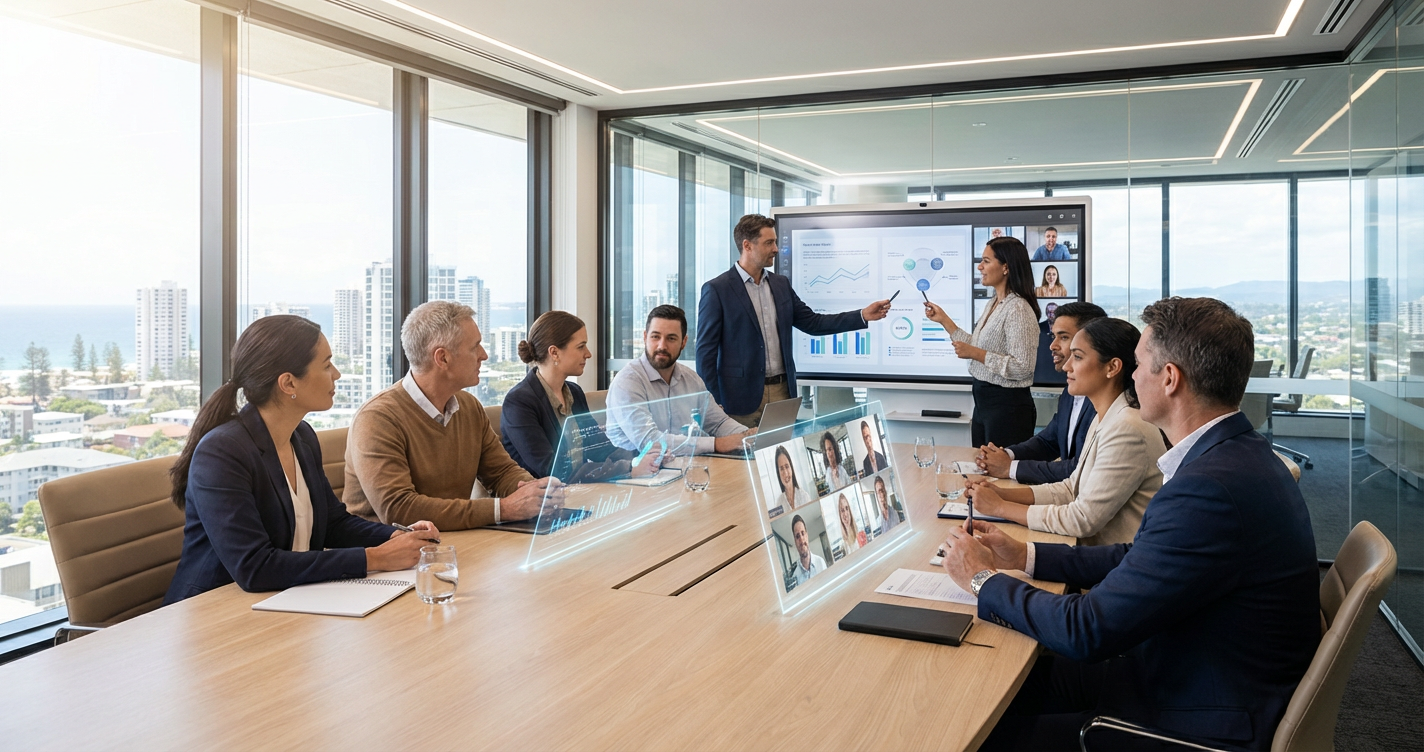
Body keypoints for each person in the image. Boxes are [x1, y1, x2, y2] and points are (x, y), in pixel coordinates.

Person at [940, 297, 1319, 751]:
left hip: (1191, 715)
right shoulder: (1235, 457)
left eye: (1139, 365)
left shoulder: (1211, 489)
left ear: (1170, 378)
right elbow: (1139, 558)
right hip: (1178, 666)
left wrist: (981, 579)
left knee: (975, 729)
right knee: (993, 689)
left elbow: (1087, 630)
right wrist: (1024, 554)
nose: (1133, 378)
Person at [164, 316, 439, 604]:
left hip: (284, 601)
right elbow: (254, 567)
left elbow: (333, 524)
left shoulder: (302, 436)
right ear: (288, 382)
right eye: (326, 365)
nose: (337, 374)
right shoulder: (222, 452)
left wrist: (395, 537)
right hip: (214, 612)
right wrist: (374, 557)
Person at [344, 301, 556, 530]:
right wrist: (503, 508)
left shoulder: (469, 407)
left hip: (452, 543)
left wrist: (536, 492)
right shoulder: (377, 419)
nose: (484, 355)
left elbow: (501, 472)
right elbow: (399, 509)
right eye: (475, 347)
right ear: (442, 358)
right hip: (387, 557)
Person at [965, 318, 1166, 546]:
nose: (1068, 366)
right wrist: (1000, 493)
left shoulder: (1127, 427)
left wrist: (1000, 507)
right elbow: (1071, 489)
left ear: (1112, 367)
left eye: (1078, 357)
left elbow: (1082, 519)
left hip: (1108, 566)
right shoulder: (1108, 416)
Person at [697, 214, 892, 427]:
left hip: (782, 394)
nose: (776, 249)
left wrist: (862, 315)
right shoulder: (717, 289)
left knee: (780, 458)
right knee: (739, 459)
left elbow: (813, 323)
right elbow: (705, 353)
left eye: (776, 242)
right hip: (738, 399)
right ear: (747, 246)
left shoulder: (781, 284)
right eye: (769, 242)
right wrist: (713, 402)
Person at [501, 311, 657, 482]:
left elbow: (599, 448)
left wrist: (644, 456)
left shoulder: (574, 392)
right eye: (581, 346)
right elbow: (552, 469)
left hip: (579, 491)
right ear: (554, 353)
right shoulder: (519, 402)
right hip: (545, 501)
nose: (588, 354)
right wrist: (628, 468)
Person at [924, 236, 1041, 446]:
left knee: (998, 476)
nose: (979, 267)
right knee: (982, 471)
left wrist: (976, 354)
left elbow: (1023, 367)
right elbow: (978, 345)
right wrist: (944, 320)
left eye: (986, 261)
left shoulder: (1018, 309)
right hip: (984, 404)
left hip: (1007, 409)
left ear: (1006, 267)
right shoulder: (995, 303)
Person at [976, 301, 1106, 484]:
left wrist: (1009, 468)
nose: (1052, 345)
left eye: (1063, 337)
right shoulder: (1070, 393)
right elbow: (1048, 441)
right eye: (1054, 336)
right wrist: (1005, 454)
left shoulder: (1106, 400)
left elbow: (1080, 467)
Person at [607, 305, 755, 456]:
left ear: (684, 342)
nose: (662, 346)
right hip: (635, 472)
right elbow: (650, 441)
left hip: (683, 467)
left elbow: (718, 423)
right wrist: (716, 444)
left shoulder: (691, 379)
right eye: (655, 336)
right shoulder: (627, 382)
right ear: (645, 337)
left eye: (671, 338)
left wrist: (748, 436)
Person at [790, 514, 826, 586]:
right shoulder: (795, 577)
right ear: (795, 541)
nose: (801, 539)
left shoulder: (821, 563)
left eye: (803, 533)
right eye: (797, 536)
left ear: (807, 535)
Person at [773, 445, 810, 511]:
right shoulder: (778, 504)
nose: (786, 473)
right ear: (778, 473)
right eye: (781, 469)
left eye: (787, 466)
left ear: (791, 468)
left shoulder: (804, 496)